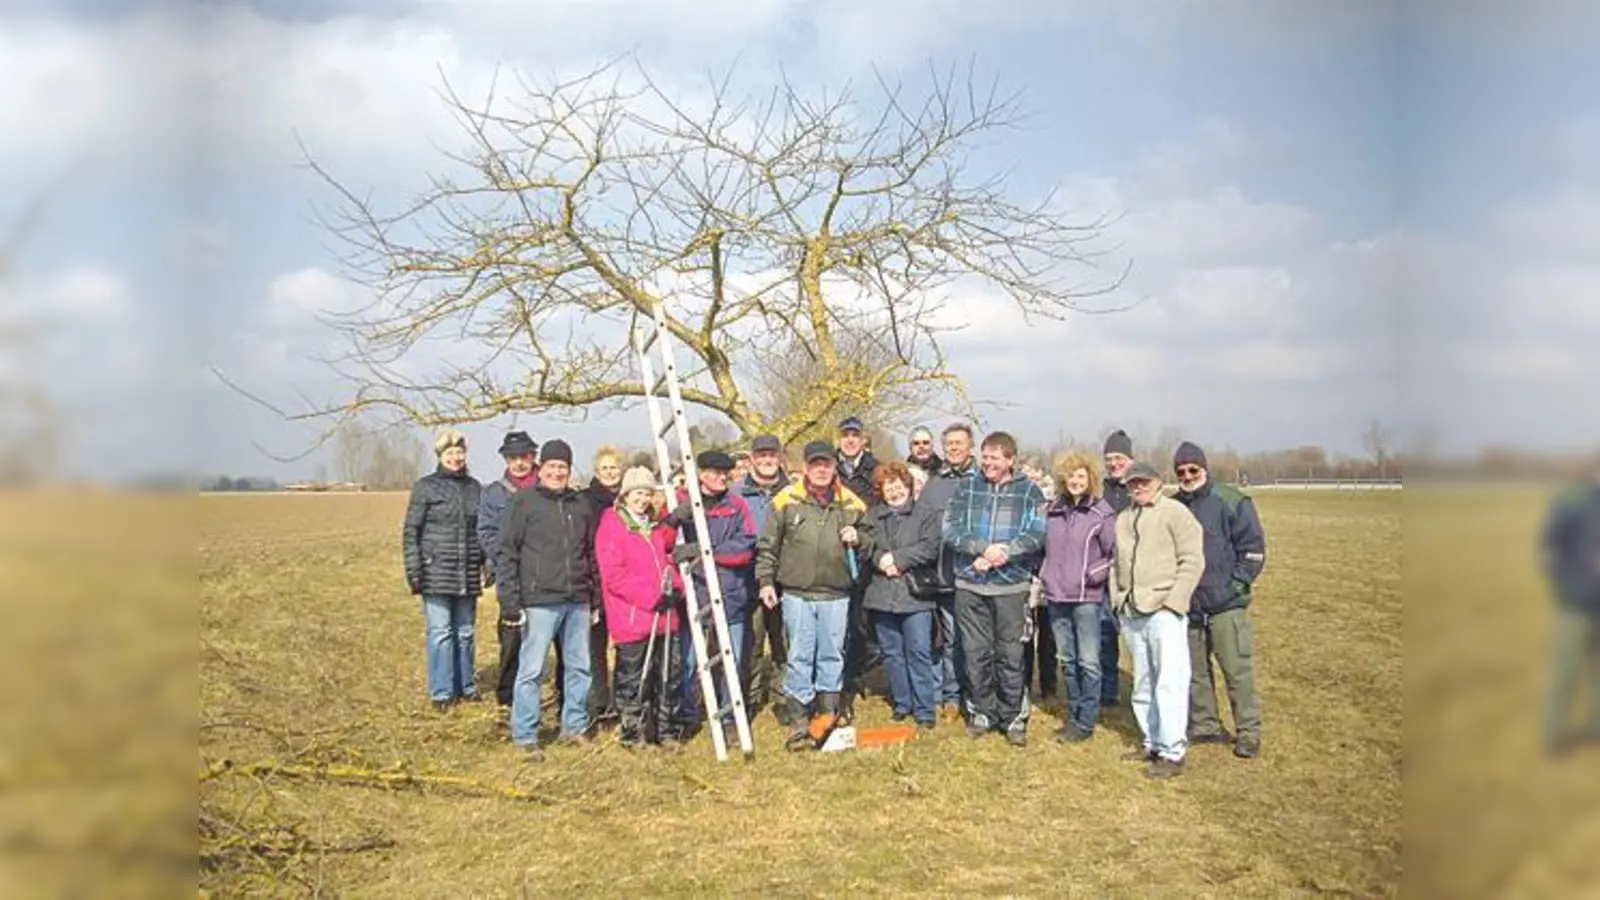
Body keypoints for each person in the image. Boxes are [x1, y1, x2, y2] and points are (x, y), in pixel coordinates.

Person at [756, 440, 873, 750]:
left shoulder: (852, 504)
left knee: (832, 655)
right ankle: (798, 720)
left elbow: (872, 539)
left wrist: (859, 537)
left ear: (834, 467)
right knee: (799, 656)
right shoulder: (785, 501)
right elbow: (768, 546)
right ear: (805, 467)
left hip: (836, 594)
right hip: (797, 594)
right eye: (815, 464)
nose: (821, 470)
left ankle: (826, 716)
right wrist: (766, 581)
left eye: (827, 464)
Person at [497, 438, 600, 762]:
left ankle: (574, 726)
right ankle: (526, 734)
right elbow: (507, 553)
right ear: (542, 468)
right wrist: (510, 601)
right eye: (552, 466)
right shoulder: (523, 503)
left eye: (563, 467)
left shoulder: (580, 504)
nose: (557, 473)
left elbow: (591, 552)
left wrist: (593, 596)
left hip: (577, 600)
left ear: (570, 470)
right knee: (532, 670)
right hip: (540, 600)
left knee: (580, 667)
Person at [942, 431, 1048, 747]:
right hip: (970, 584)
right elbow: (950, 528)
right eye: (985, 457)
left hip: (1010, 586)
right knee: (975, 654)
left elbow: (1037, 535)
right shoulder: (965, 489)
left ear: (1010, 460)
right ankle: (981, 712)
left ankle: (1013, 716)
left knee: (1010, 654)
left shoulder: (1030, 493)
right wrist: (981, 548)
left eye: (995, 457)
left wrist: (1004, 553)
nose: (988, 463)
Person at [1171, 441, 1268, 759]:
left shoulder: (1232, 501)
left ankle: (1248, 731)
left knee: (1236, 670)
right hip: (1190, 605)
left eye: (1192, 470)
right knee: (1195, 671)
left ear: (1204, 469)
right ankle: (1204, 724)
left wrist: (1236, 586)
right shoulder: (1173, 506)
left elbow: (1253, 549)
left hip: (1225, 604)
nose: (1187, 476)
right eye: (1181, 471)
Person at [1108, 461, 1204, 779]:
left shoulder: (1175, 513)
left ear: (1158, 483)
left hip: (1164, 609)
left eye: (1144, 482)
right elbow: (1115, 564)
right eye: (1133, 483)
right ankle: (1152, 742)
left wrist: (1175, 602)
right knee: (1143, 681)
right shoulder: (1124, 519)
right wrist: (1118, 599)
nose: (1138, 488)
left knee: (1169, 681)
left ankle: (1173, 750)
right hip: (1133, 610)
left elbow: (1192, 559)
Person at [665, 450, 759, 743]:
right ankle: (687, 715)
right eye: (715, 472)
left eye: (725, 473)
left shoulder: (736, 505)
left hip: (730, 593)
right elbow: (663, 543)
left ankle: (730, 717)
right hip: (694, 594)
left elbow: (746, 547)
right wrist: (674, 520)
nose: (721, 478)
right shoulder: (681, 503)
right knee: (690, 661)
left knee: (731, 659)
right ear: (701, 474)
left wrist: (707, 552)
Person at [596, 466, 687, 748]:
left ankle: (666, 730)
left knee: (668, 675)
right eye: (638, 493)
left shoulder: (653, 527)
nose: (643, 499)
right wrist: (650, 597)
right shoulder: (613, 525)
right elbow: (614, 575)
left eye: (647, 493)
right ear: (625, 495)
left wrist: (677, 589)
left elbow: (665, 564)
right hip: (634, 617)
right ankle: (632, 732)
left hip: (663, 617)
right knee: (634, 677)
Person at [403, 430, 487, 710]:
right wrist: (415, 570)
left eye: (459, 452)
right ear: (440, 456)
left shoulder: (475, 488)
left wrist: (486, 563)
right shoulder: (426, 487)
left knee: (465, 632)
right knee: (440, 633)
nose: (455, 457)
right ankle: (441, 691)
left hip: (467, 572)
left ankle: (466, 686)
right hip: (435, 572)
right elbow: (411, 531)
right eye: (449, 453)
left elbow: (482, 531)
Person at [1039, 451, 1117, 742]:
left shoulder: (1101, 512)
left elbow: (1113, 553)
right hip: (1057, 595)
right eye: (1070, 476)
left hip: (1086, 596)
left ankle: (1086, 721)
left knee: (1088, 661)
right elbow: (1041, 547)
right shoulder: (1052, 511)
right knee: (1067, 660)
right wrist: (1044, 574)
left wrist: (1094, 574)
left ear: (1091, 479)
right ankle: (1073, 713)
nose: (1075, 481)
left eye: (1081, 476)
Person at [863, 461, 943, 730]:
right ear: (881, 491)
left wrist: (897, 558)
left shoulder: (926, 514)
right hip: (882, 593)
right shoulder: (872, 516)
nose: (895, 491)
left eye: (898, 485)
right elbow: (867, 547)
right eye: (888, 487)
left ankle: (924, 709)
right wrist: (880, 561)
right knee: (892, 653)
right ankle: (902, 702)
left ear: (908, 486)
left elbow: (930, 548)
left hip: (915, 595)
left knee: (919, 651)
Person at [1539, 456, 1600, 757]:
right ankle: (1554, 737)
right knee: (1566, 671)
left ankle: (1595, 729)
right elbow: (1549, 548)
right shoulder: (1572, 501)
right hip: (1576, 604)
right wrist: (1564, 591)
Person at [920, 422, 979, 721]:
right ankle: (942, 694)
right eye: (950, 444)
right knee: (940, 638)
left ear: (971, 446)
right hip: (938, 574)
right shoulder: (934, 483)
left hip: (971, 575)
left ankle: (965, 695)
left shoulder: (981, 480)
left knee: (966, 639)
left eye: (960, 443)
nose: (954, 448)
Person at [477, 430, 538, 709]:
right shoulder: (494, 492)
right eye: (513, 458)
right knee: (512, 638)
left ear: (533, 456)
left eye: (524, 456)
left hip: (544, 576)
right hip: (511, 577)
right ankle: (507, 699)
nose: (519, 463)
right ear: (505, 459)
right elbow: (487, 532)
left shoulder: (547, 486)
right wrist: (506, 560)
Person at [736, 434, 793, 722]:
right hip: (749, 578)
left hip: (786, 576)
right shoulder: (737, 494)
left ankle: (783, 696)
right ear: (752, 459)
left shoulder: (794, 492)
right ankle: (751, 696)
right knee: (753, 642)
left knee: (784, 640)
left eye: (772, 455)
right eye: (761, 455)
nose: (767, 460)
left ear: (780, 458)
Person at [567, 445, 625, 725]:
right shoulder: (586, 501)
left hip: (623, 583)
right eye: (605, 468)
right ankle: (597, 703)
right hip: (596, 580)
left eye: (614, 467)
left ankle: (624, 700)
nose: (610, 473)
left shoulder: (631, 498)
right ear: (596, 471)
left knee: (625, 645)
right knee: (595, 647)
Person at [835, 415, 883, 699]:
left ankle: (853, 672)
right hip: (833, 552)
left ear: (863, 439)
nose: (850, 440)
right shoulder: (828, 467)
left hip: (863, 551)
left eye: (855, 435)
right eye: (845, 435)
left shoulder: (875, 469)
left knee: (859, 618)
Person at [1100, 429, 1135, 707]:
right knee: (1105, 634)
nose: (1114, 463)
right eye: (1109, 458)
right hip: (1104, 572)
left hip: (1135, 574)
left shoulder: (1139, 488)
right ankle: (1108, 690)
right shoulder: (1100, 491)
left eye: (1119, 457)